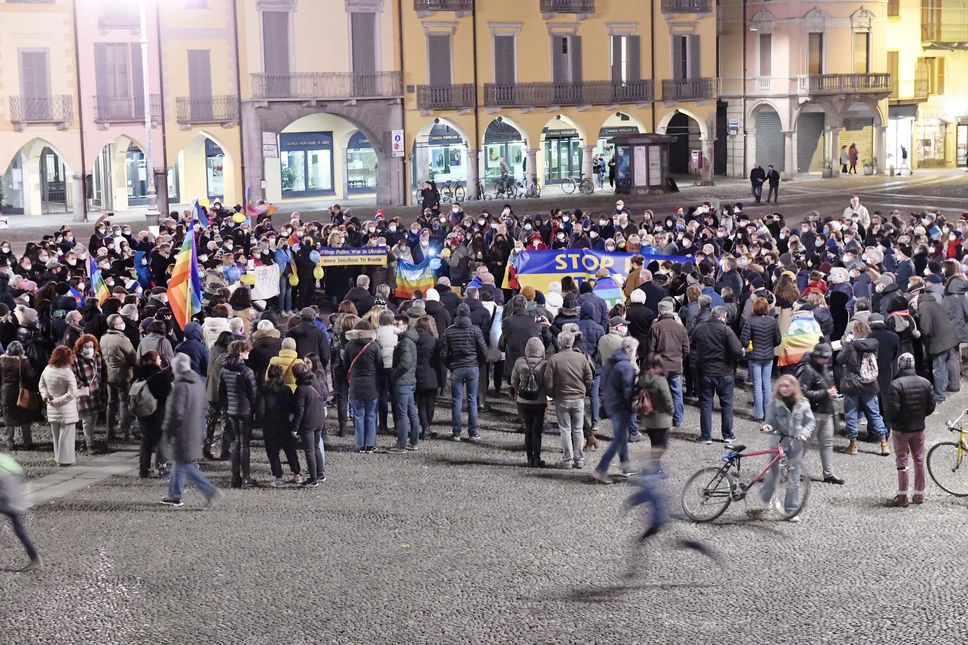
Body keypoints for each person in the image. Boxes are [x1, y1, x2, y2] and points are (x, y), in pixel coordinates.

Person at [161, 353, 223, 508]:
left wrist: (167, 432)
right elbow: (204, 406)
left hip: (183, 431)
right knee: (180, 463)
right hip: (195, 428)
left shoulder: (179, 387)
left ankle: (210, 491)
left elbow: (175, 413)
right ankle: (175, 495)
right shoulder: (198, 382)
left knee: (184, 464)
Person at [758, 375, 815, 522]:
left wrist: (803, 434)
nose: (784, 389)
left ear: (794, 387)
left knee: (793, 478)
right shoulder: (774, 404)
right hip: (778, 443)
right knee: (774, 473)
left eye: (787, 386)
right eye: (781, 386)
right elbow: (770, 421)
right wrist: (767, 427)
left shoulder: (803, 404)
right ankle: (767, 497)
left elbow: (810, 422)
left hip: (795, 444)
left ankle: (791, 510)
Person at [885, 353, 936, 507]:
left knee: (902, 460)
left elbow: (892, 410)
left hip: (901, 429)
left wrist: (893, 422)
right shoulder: (926, 383)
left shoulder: (896, 385)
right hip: (918, 427)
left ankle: (902, 496)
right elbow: (930, 407)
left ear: (899, 366)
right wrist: (920, 416)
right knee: (919, 459)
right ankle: (919, 494)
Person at [690, 306, 744, 445]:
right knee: (726, 404)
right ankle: (727, 434)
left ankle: (706, 436)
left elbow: (692, 345)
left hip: (705, 372)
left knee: (706, 403)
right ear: (722, 317)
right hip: (724, 372)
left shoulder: (699, 328)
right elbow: (737, 350)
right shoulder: (726, 331)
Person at [837, 320, 889, 456]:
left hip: (851, 384)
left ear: (855, 331)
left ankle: (853, 445)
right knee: (874, 413)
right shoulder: (873, 344)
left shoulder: (851, 345)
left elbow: (840, 359)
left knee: (851, 414)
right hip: (869, 383)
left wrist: (847, 343)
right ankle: (884, 443)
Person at [592, 337, 639, 483]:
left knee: (622, 436)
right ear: (630, 350)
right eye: (635, 351)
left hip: (611, 403)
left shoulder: (612, 361)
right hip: (620, 406)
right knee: (618, 439)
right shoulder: (625, 367)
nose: (635, 354)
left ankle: (626, 465)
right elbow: (628, 391)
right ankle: (601, 469)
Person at [796, 343, 844, 485]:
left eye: (827, 357)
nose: (826, 360)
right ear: (817, 356)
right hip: (813, 413)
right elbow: (803, 392)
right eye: (824, 357)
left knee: (827, 443)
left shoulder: (824, 369)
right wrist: (825, 393)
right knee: (804, 443)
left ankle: (828, 474)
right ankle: (794, 469)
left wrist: (831, 393)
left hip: (826, 411)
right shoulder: (808, 371)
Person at [545, 330, 594, 469]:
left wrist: (552, 394)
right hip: (578, 397)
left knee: (565, 429)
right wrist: (584, 389)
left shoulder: (553, 359)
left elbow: (548, 382)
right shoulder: (581, 358)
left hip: (561, 397)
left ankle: (568, 460)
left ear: (559, 343)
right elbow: (589, 377)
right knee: (578, 429)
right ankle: (579, 459)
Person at [441, 303, 488, 441]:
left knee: (456, 400)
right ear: (468, 314)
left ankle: (456, 432)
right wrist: (479, 363)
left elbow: (444, 353)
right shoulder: (475, 330)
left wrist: (450, 365)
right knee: (472, 400)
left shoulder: (449, 331)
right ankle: (473, 432)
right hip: (472, 366)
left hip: (456, 367)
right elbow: (484, 351)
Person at [219, 340, 258, 488]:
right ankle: (246, 477)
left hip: (231, 409)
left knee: (237, 442)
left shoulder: (224, 369)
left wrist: (227, 407)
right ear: (241, 352)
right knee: (244, 444)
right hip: (244, 409)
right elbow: (252, 394)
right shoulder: (246, 371)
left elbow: (221, 392)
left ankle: (235, 477)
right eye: (247, 351)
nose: (249, 353)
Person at [259, 365, 302, 488]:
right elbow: (292, 407)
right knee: (290, 449)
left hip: (269, 423)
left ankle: (278, 476)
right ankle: (297, 473)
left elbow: (261, 408)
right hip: (284, 422)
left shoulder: (263, 388)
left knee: (272, 452)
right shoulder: (286, 389)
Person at [0, 441, 41, 570]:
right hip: (15, 499)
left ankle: (35, 559)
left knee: (19, 529)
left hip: (6, 499)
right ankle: (35, 558)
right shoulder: (7, 460)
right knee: (19, 529)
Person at [131, 350, 173, 478]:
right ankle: (161, 469)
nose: (161, 360)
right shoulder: (157, 375)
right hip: (157, 411)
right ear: (154, 360)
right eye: (159, 358)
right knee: (161, 439)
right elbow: (166, 394)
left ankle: (144, 469)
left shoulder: (137, 373)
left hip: (142, 411)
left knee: (146, 440)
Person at [740, 297, 782, 421]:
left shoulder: (750, 321)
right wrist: (770, 346)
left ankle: (759, 413)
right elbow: (778, 339)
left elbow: (744, 340)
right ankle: (769, 414)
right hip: (768, 356)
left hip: (754, 356)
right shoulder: (772, 321)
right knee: (767, 384)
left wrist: (750, 346)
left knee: (757, 384)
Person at [649, 300, 688, 429]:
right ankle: (678, 419)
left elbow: (651, 349)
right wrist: (680, 358)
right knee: (677, 393)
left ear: (659, 311)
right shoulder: (680, 328)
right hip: (676, 365)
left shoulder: (655, 327)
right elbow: (686, 349)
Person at [38, 345, 79, 466]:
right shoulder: (67, 373)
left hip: (51, 408)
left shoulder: (47, 369)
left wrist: (46, 397)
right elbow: (72, 393)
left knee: (56, 435)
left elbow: (41, 385)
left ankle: (57, 457)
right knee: (66, 436)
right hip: (66, 410)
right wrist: (57, 401)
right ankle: (65, 460)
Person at [511, 336, 548, 467]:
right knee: (537, 430)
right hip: (539, 401)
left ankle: (529, 458)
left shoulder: (520, 362)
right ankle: (537, 458)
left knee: (528, 429)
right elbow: (548, 383)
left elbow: (514, 381)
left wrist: (520, 392)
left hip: (523, 400)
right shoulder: (545, 364)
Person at [344, 319, 380, 452]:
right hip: (371, 384)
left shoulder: (350, 345)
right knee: (371, 415)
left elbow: (346, 365)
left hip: (355, 384)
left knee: (358, 416)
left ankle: (360, 445)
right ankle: (370, 444)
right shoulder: (373, 346)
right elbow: (379, 365)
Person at [100, 313, 137, 441]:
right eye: (120, 322)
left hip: (109, 374)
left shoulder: (103, 338)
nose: (123, 323)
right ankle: (126, 432)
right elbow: (133, 357)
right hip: (123, 374)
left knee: (111, 403)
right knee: (124, 403)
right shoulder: (122, 340)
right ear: (115, 325)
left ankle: (109, 432)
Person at [290, 362, 325, 486]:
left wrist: (294, 428)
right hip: (319, 417)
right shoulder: (314, 379)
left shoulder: (301, 389)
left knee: (309, 450)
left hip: (309, 422)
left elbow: (300, 411)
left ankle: (313, 479)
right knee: (316, 448)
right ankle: (320, 474)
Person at [389, 314, 420, 452]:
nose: (395, 327)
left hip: (402, 381)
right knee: (411, 412)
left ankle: (401, 444)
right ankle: (414, 441)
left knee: (402, 414)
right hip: (410, 380)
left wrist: (394, 374)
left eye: (397, 324)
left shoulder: (406, 341)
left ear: (405, 326)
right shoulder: (411, 339)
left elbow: (406, 363)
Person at [71, 334, 106, 454]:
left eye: (91, 346)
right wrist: (81, 386)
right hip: (84, 394)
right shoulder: (75, 359)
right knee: (87, 420)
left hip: (96, 393)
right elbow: (72, 375)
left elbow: (101, 374)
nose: (89, 349)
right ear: (80, 347)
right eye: (86, 346)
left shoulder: (97, 357)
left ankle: (88, 441)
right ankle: (89, 444)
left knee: (93, 419)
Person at [0, 342, 35, 450]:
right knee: (25, 417)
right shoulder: (23, 361)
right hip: (21, 392)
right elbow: (30, 377)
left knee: (8, 417)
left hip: (6, 393)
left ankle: (9, 443)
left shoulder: (2, 360)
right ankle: (27, 442)